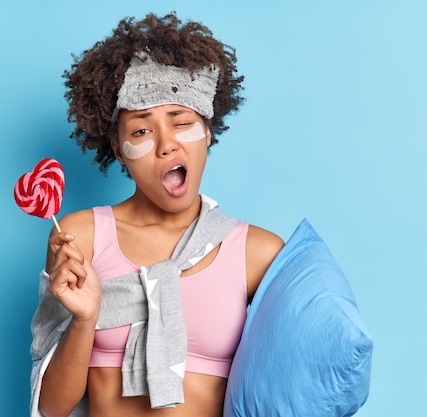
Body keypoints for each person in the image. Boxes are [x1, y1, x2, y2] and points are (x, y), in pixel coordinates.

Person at [29, 12, 284, 417]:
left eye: (182, 122)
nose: (166, 145)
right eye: (141, 131)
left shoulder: (258, 252)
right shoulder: (81, 238)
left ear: (207, 134)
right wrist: (85, 318)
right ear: (117, 149)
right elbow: (53, 408)